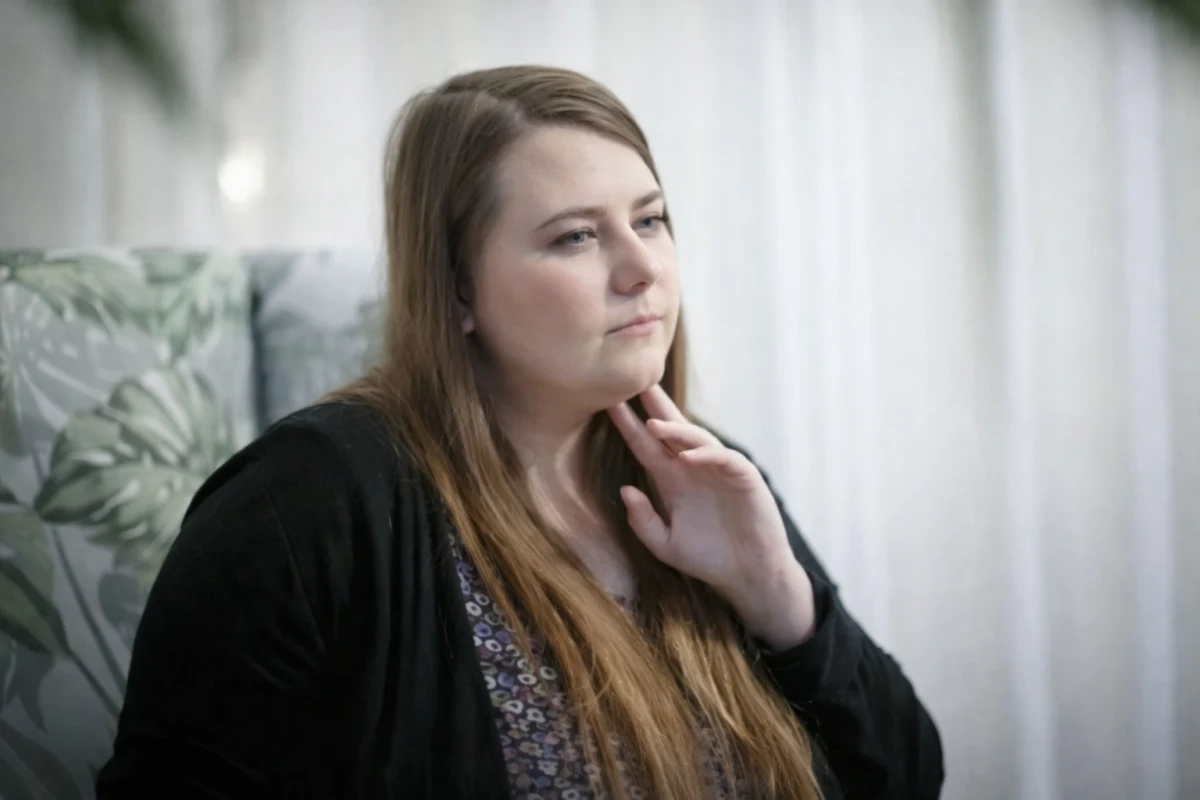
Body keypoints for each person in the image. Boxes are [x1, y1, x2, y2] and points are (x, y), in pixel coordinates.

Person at [96, 65, 943, 799]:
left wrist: (781, 601)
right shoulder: (308, 499)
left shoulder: (698, 473)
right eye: (576, 237)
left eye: (650, 220)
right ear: (457, 290)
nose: (642, 268)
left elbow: (906, 777)